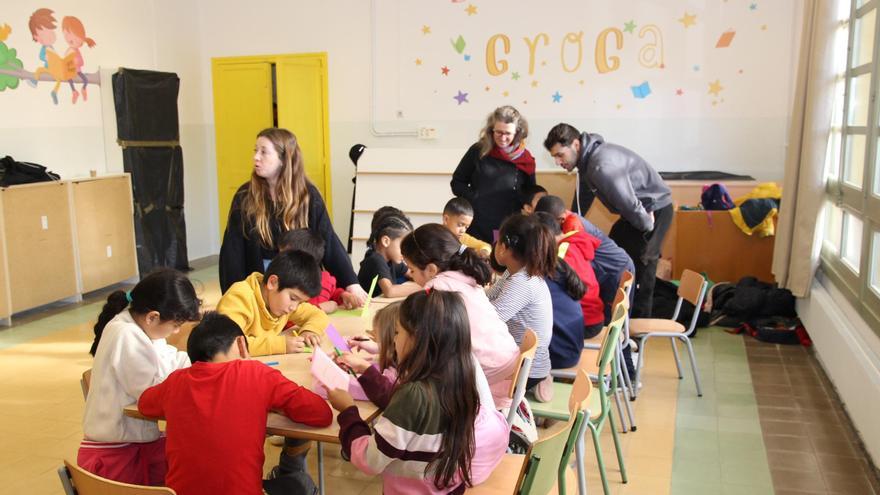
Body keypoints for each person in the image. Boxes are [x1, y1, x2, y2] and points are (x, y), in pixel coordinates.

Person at [327, 290, 508, 494]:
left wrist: (348, 411)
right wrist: (367, 372)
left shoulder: (414, 395)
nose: (394, 341)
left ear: (416, 338)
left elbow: (369, 460)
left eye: (397, 332)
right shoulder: (460, 381)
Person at [138, 312, 332, 495]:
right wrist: (274, 404)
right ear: (241, 344)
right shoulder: (255, 373)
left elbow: (144, 404)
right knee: (300, 484)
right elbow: (321, 414)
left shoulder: (176, 381)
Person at [219, 128, 366, 308]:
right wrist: (234, 298)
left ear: (283, 159)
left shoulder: (308, 195)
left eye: (264, 152)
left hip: (301, 283)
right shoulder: (245, 196)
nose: (256, 157)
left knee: (325, 331)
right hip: (261, 290)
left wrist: (352, 284)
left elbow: (329, 241)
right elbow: (232, 252)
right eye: (255, 151)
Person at [79, 269, 201, 485]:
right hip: (116, 455)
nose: (175, 332)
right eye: (175, 325)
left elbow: (170, 361)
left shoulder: (143, 329)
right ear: (152, 317)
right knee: (194, 462)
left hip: (133, 444)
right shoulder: (126, 335)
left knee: (192, 461)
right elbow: (151, 394)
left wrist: (197, 366)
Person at [544, 123, 672, 320]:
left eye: (560, 155)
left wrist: (648, 226)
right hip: (637, 212)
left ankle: (639, 326)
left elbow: (629, 202)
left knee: (644, 264)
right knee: (612, 255)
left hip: (652, 211)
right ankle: (613, 313)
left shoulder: (601, 165)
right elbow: (583, 198)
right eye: (554, 157)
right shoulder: (587, 162)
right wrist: (568, 223)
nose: (558, 161)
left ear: (576, 145)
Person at [400, 223, 520, 407]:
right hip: (505, 368)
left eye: (412, 269)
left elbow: (425, 345)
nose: (409, 274)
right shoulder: (466, 276)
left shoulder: (438, 289)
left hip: (487, 382)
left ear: (431, 269)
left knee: (409, 385)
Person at [535, 195, 634, 323]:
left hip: (615, 270)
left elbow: (565, 265)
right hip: (604, 269)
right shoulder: (565, 221)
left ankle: (614, 343)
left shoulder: (574, 227)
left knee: (610, 321)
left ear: (560, 219)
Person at [487, 214, 555, 401]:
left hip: (526, 369)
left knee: (464, 377)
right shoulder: (515, 272)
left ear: (505, 247)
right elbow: (490, 296)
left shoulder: (522, 282)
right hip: (523, 359)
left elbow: (490, 320)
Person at [451, 106, 537, 243]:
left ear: (518, 132)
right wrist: (475, 198)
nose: (502, 138)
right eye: (498, 132)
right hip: (477, 223)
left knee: (499, 262)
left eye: (508, 133)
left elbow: (530, 194)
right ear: (491, 130)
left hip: (506, 225)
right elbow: (457, 182)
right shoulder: (478, 150)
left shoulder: (525, 159)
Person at [216, 250, 327, 355]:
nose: (294, 307)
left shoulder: (282, 301)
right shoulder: (240, 297)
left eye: (300, 302)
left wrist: (309, 331)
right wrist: (280, 345)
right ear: (273, 282)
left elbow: (318, 315)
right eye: (293, 298)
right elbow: (227, 343)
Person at [277, 229, 359, 313]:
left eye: (285, 256)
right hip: (302, 325)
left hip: (325, 323)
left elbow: (332, 291)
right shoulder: (282, 284)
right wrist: (320, 309)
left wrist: (342, 295)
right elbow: (287, 318)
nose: (279, 260)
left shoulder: (326, 279)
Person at [358, 209, 421, 297]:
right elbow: (390, 291)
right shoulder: (375, 259)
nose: (406, 252)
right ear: (386, 241)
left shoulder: (391, 260)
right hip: (366, 309)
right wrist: (425, 287)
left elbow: (412, 274)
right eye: (403, 246)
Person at [61, 16, 94, 103]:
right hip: (71, 71)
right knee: (69, 79)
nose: (67, 37)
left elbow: (81, 62)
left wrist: (76, 62)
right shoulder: (69, 51)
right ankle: (74, 92)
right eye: (65, 34)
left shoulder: (76, 51)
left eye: (70, 33)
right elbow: (65, 61)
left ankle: (83, 89)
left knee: (85, 80)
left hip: (78, 71)